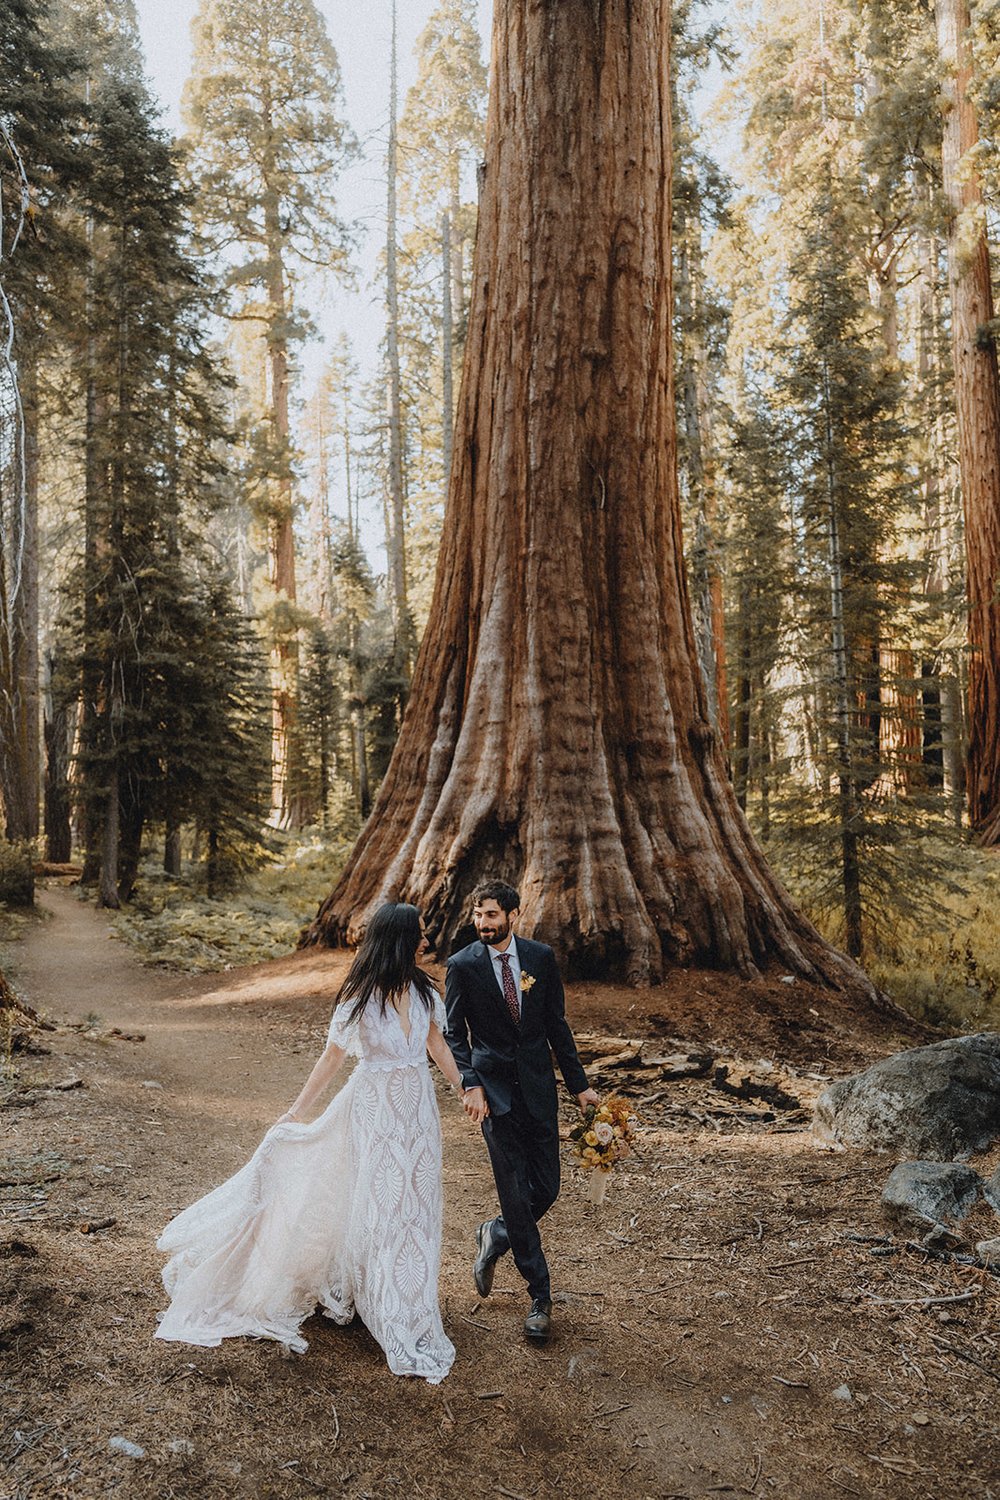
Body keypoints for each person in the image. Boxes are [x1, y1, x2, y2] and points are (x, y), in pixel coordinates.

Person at [155, 903, 466, 1384]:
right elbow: (332, 1059)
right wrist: (298, 1112)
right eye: (419, 935)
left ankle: (406, 1296)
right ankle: (379, 1299)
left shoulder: (425, 991)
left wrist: (465, 1088)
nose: (427, 942)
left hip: (417, 1114)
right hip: (374, 1113)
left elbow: (438, 1047)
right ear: (400, 940)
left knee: (414, 1206)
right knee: (379, 1204)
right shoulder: (360, 998)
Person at [444, 879, 598, 1344]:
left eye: (491, 915)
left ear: (513, 914)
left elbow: (556, 1025)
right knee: (514, 1189)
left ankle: (496, 1232)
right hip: (492, 1096)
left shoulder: (540, 959)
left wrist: (581, 1086)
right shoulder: (462, 966)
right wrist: (469, 1083)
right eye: (477, 915)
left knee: (546, 1187)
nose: (483, 924)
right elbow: (454, 1035)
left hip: (538, 1089)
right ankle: (540, 1296)